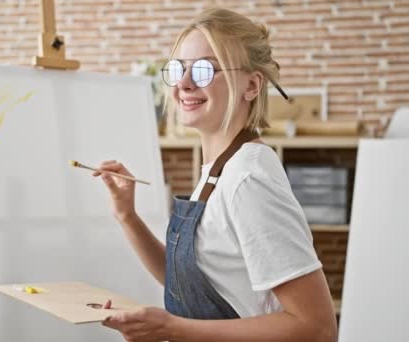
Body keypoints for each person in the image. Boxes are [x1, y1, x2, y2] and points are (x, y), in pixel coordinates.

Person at [92, 7, 338, 342]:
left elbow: (317, 328)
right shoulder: (220, 170)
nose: (184, 83)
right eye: (179, 68)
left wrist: (172, 327)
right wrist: (127, 216)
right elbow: (188, 282)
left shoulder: (248, 180)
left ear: (251, 86)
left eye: (206, 69)